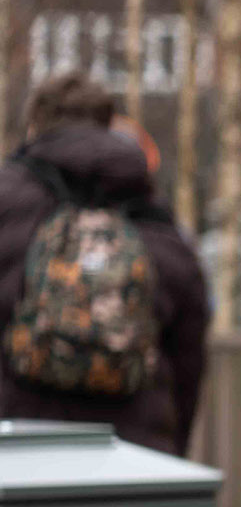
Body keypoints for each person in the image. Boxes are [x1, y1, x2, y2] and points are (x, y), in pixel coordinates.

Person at [0, 73, 210, 457]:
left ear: (33, 126)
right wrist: (173, 449)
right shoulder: (149, 207)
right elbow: (188, 351)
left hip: (17, 456)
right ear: (108, 124)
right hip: (132, 459)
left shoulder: (7, 199)